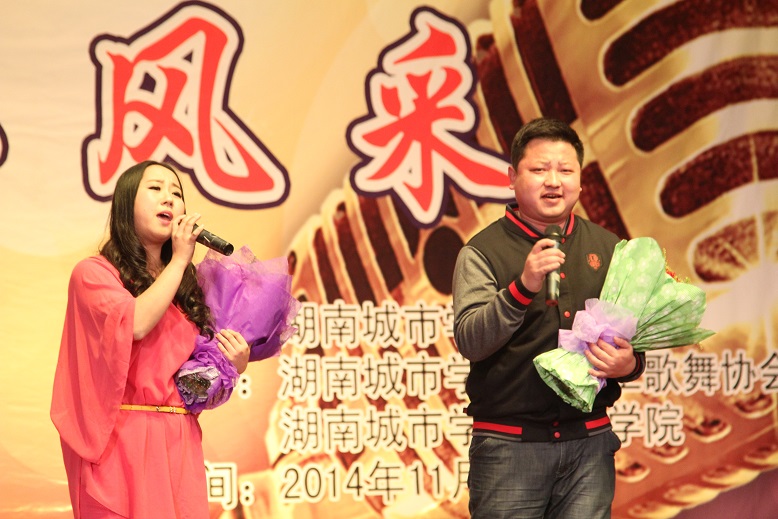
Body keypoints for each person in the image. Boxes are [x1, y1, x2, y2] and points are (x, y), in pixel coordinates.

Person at [452, 117, 645, 519]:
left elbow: (632, 335)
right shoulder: (482, 252)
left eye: (565, 170)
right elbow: (471, 340)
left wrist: (630, 364)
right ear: (512, 177)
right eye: (539, 169)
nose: (553, 182)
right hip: (509, 448)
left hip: (589, 445)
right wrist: (523, 286)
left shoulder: (608, 248)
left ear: (580, 180)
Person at [51, 160, 250, 518]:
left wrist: (231, 365)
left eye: (176, 192)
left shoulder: (188, 290)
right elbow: (136, 323)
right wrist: (180, 261)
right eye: (155, 188)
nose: (169, 198)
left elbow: (193, 387)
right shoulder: (94, 274)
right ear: (126, 204)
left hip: (179, 442)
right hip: (120, 441)